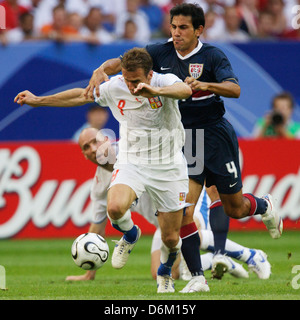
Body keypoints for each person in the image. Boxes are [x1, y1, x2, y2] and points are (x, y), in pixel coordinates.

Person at [84, 3, 283, 282]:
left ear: (199, 30)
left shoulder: (213, 56)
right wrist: (100, 68)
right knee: (185, 213)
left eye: (183, 28)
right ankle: (198, 279)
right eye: (173, 26)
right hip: (180, 139)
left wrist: (205, 85)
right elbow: (120, 62)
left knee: (234, 207)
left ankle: (263, 206)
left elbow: (234, 89)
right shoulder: (158, 50)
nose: (176, 33)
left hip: (213, 134)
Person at [15, 47, 209, 294]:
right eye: (127, 80)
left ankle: (165, 274)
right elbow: (81, 95)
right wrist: (39, 100)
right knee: (115, 208)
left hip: (168, 166)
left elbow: (185, 90)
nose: (129, 86)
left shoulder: (162, 81)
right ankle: (130, 235)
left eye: (136, 81)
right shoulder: (117, 85)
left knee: (171, 238)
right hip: (132, 161)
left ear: (149, 75)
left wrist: (155, 91)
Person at [66, 127, 158, 281]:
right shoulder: (100, 186)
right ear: (84, 156)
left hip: (186, 211)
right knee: (161, 274)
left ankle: (211, 254)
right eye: (86, 147)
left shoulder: (134, 149)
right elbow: (97, 230)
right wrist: (89, 274)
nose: (93, 149)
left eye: (95, 141)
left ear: (107, 139)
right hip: (163, 227)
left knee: (195, 241)